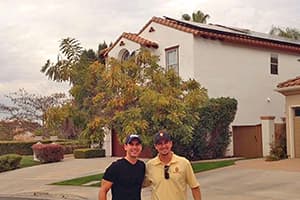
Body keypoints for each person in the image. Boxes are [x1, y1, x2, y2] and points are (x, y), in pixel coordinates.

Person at [144, 131, 201, 200]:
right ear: (155, 146)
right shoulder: (150, 165)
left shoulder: (184, 163)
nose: (164, 146)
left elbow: (194, 187)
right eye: (160, 144)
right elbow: (140, 184)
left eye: (166, 143)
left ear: (171, 143)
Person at [99, 134, 145, 200]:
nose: (134, 147)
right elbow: (103, 190)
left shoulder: (141, 166)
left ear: (141, 147)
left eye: (137, 144)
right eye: (131, 144)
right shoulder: (115, 167)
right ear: (125, 147)